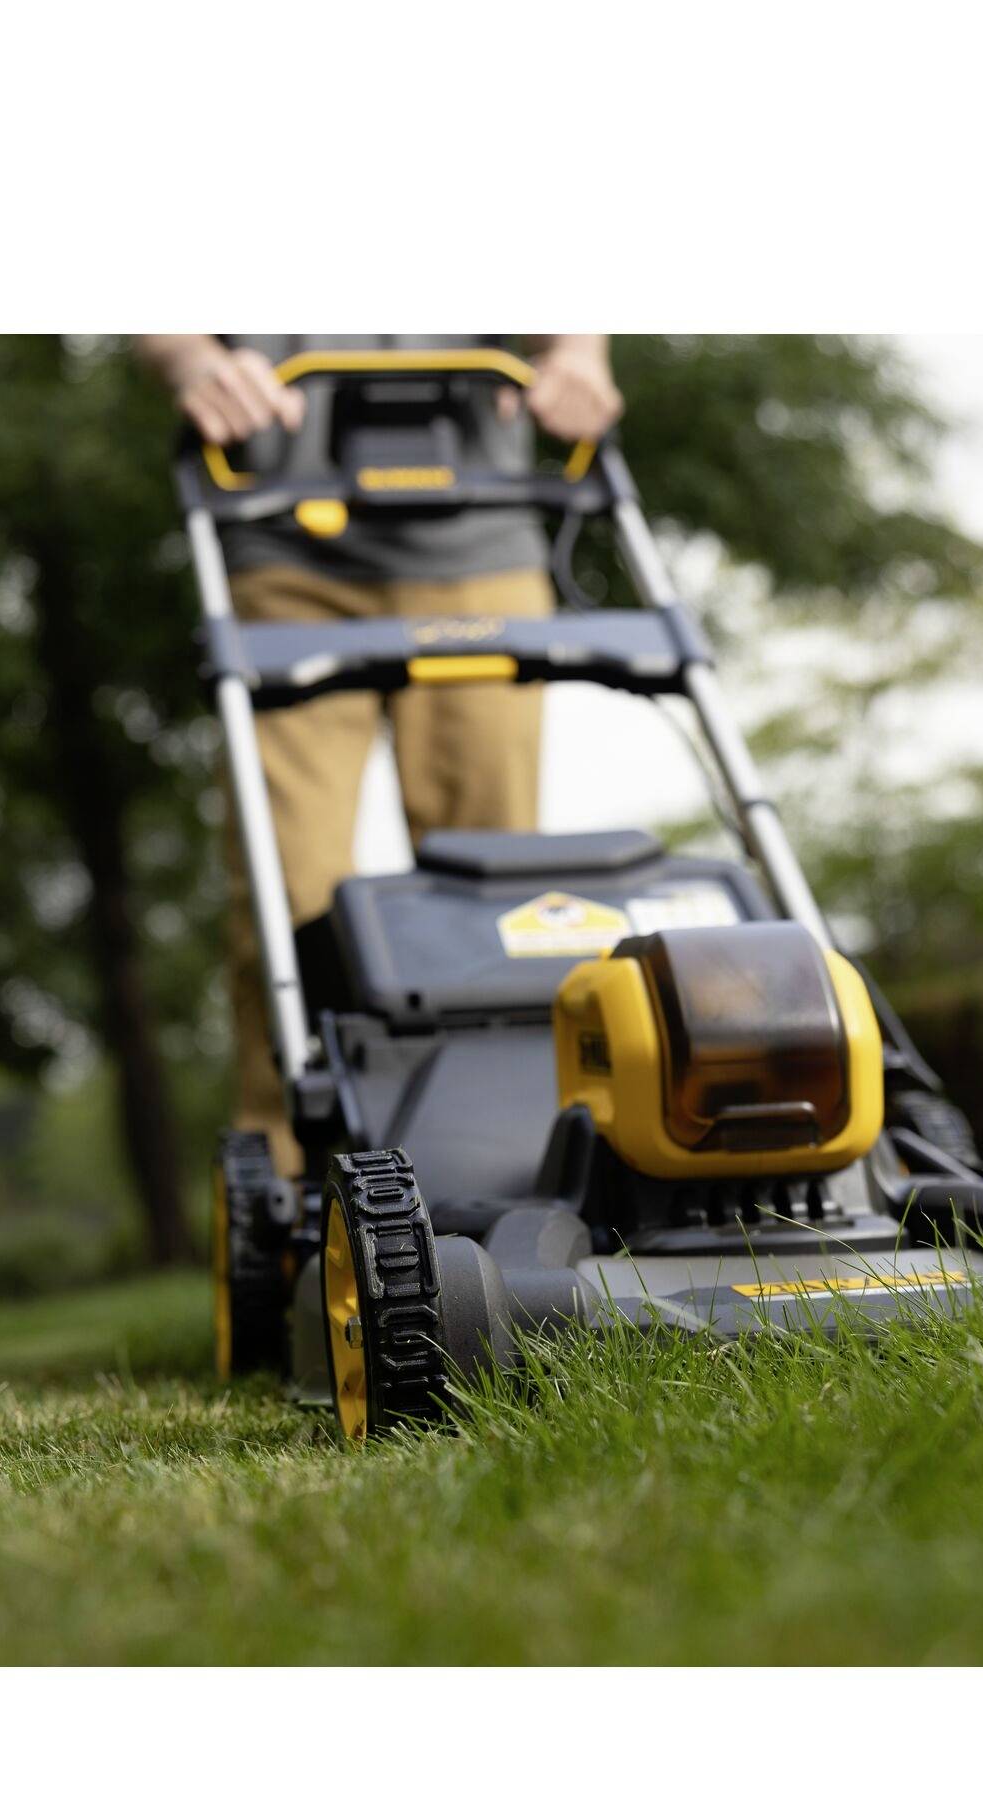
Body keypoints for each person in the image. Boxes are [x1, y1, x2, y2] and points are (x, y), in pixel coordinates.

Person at [137, 334, 624, 1173]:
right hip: (284, 545)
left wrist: (580, 353)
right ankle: (290, 1191)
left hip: (480, 540)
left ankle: (512, 1161)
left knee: (499, 895)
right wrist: (192, 361)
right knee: (284, 891)